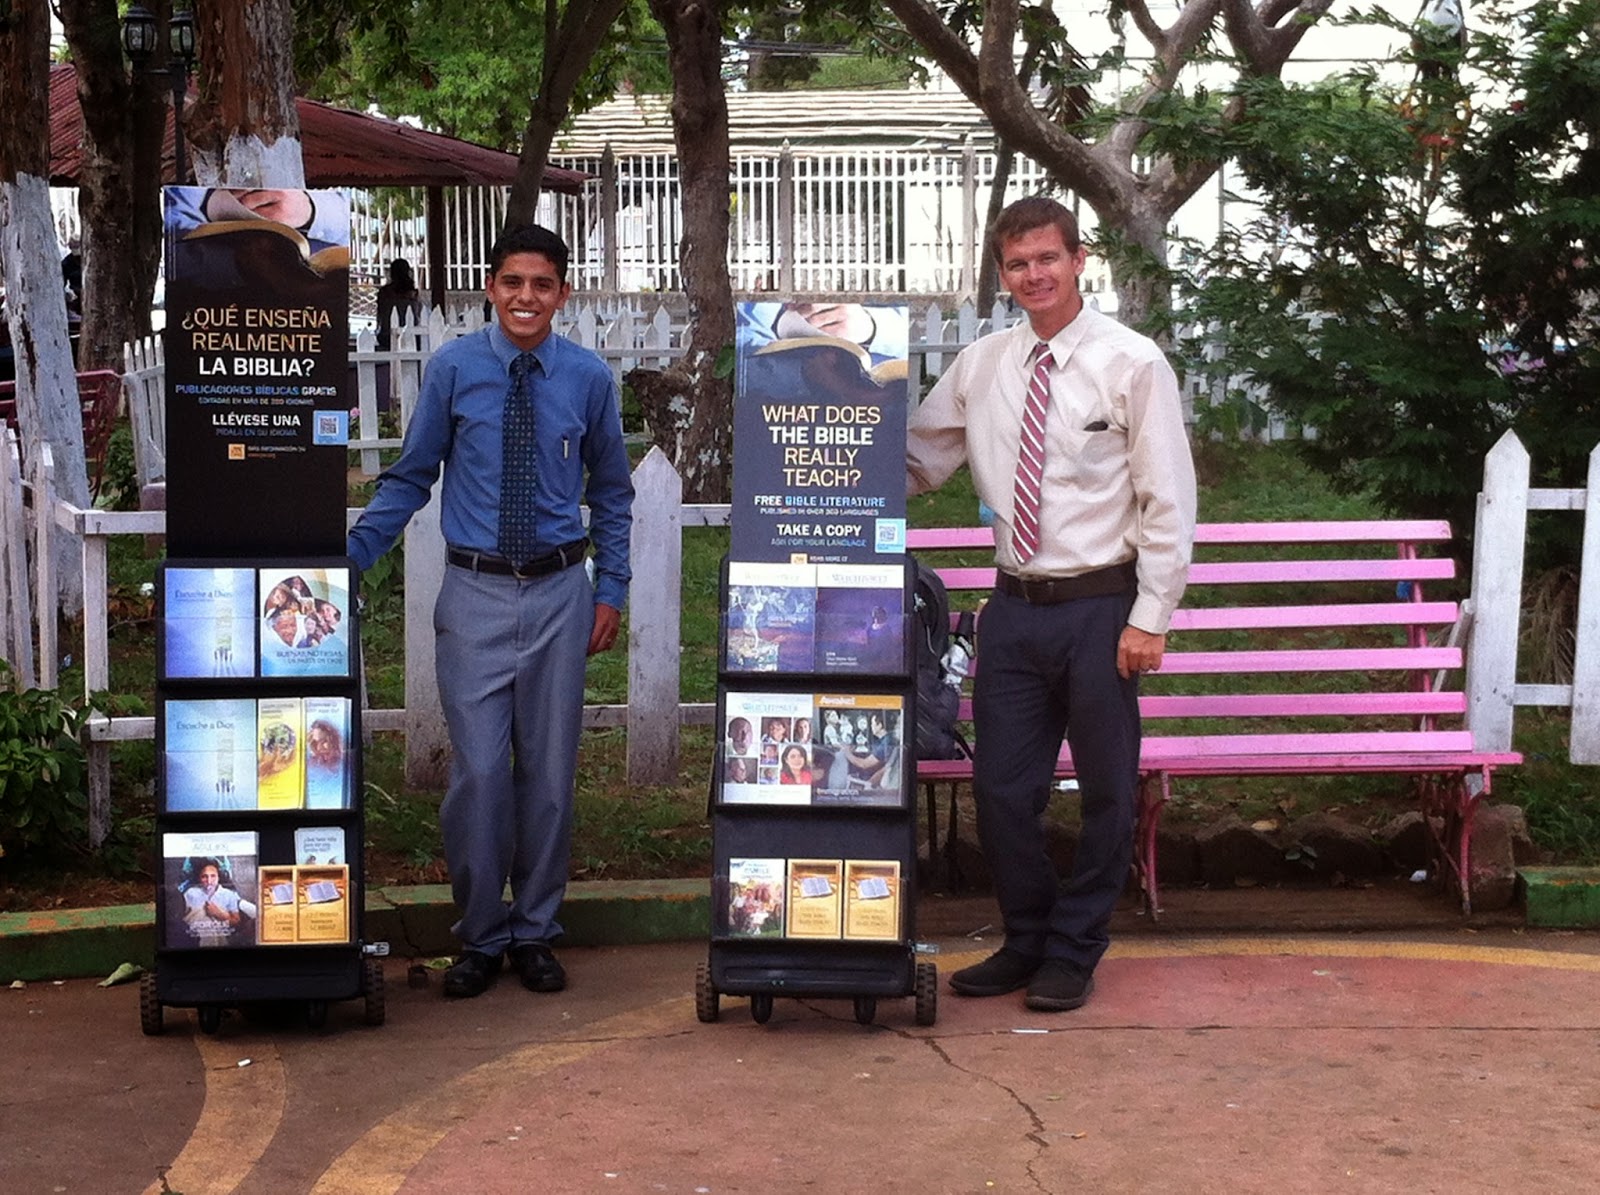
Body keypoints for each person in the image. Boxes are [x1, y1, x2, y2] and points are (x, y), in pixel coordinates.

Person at [906, 195, 1196, 1013]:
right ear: (1002, 274)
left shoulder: (1131, 362)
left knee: (1106, 788)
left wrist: (1152, 615)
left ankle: (1074, 949)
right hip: (1015, 611)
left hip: (1103, 607)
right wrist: (821, 475)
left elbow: (1167, 497)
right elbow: (921, 460)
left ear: (1078, 259)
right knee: (1000, 787)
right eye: (1017, 264)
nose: (1033, 275)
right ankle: (1025, 937)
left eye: (1047, 258)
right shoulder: (985, 363)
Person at [348, 223, 634, 999]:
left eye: (542, 285)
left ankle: (536, 930)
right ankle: (479, 933)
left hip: (557, 594)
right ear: (491, 287)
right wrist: (352, 556)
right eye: (513, 283)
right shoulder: (454, 370)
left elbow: (611, 492)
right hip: (472, 592)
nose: (526, 298)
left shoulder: (586, 379)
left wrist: (611, 589)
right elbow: (410, 476)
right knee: (477, 773)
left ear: (562, 293)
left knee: (547, 774)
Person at [182, 859, 257, 946]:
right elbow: (183, 919)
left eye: (213, 876)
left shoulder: (229, 895)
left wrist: (220, 914)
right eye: (204, 876)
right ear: (199, 878)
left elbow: (236, 920)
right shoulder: (190, 893)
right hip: (195, 939)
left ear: (218, 877)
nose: (209, 881)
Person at [375, 257, 422, 351]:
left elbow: (380, 315)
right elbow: (418, 314)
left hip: (386, 336)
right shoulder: (413, 293)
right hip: (411, 335)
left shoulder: (384, 292)